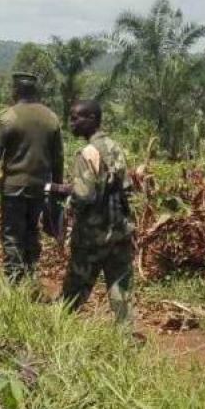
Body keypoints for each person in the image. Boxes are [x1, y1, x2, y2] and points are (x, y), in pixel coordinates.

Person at [0, 72, 63, 282]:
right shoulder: (51, 118)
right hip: (40, 188)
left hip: (14, 188)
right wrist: (57, 191)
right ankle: (31, 277)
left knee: (12, 235)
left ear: (15, 91)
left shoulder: (7, 117)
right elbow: (58, 159)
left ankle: (13, 283)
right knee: (32, 232)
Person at [61, 100, 134, 327]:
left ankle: (59, 329)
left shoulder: (88, 152)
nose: (71, 122)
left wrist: (66, 199)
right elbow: (126, 187)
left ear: (92, 119)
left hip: (92, 236)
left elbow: (85, 197)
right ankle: (126, 337)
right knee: (120, 286)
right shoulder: (115, 146)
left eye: (76, 117)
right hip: (120, 230)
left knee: (75, 287)